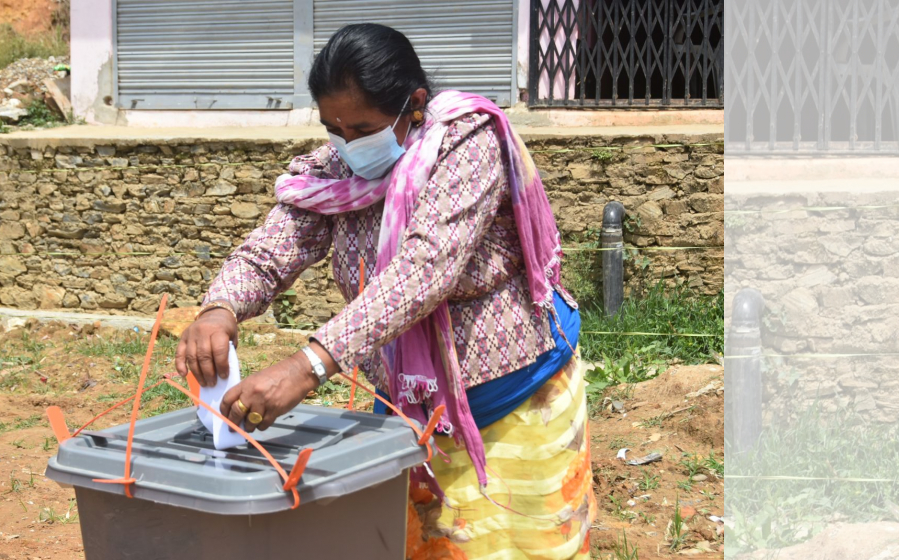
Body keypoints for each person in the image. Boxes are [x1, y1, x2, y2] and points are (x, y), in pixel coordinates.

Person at [174, 23, 596, 559]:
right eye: (333, 128)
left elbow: (423, 272)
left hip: (512, 393)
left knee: (514, 543)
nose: (348, 144)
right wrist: (219, 308)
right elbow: (274, 246)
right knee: (416, 543)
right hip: (407, 401)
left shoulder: (468, 145)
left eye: (363, 128)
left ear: (413, 105)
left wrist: (307, 366)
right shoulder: (337, 169)